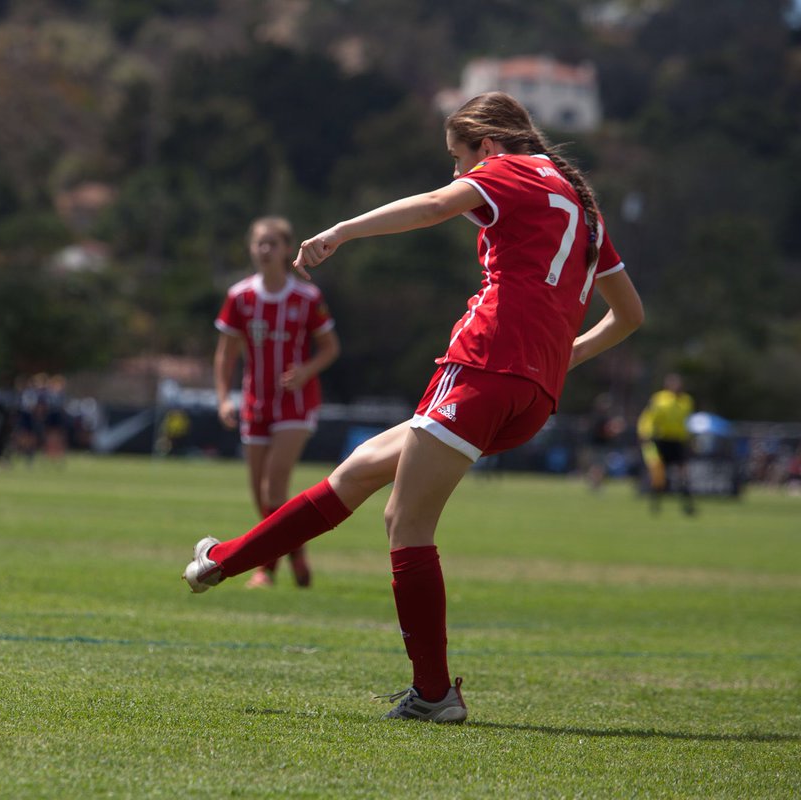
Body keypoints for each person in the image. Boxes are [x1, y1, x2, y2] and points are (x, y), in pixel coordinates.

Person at [182, 92, 644, 723]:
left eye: (459, 159)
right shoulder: (583, 210)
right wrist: (559, 359)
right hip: (533, 393)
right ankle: (224, 560)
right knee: (360, 470)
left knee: (406, 521)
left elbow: (433, 206)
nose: (459, 175)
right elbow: (630, 316)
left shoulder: (506, 170)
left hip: (484, 366)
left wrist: (340, 232)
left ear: (486, 145)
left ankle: (434, 694)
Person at [214, 216, 341, 589]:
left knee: (273, 486)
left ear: (287, 250)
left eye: (272, 243)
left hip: (296, 404)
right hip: (256, 401)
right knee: (260, 493)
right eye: (259, 243)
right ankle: (297, 556)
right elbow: (225, 354)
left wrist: (305, 371)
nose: (265, 250)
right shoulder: (240, 296)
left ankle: (265, 570)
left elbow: (331, 348)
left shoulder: (306, 297)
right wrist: (223, 399)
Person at [637, 373, 696, 515]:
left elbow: (688, 422)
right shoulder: (659, 399)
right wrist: (645, 433)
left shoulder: (687, 401)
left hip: (677, 441)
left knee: (683, 475)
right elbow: (648, 418)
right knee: (658, 474)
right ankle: (655, 505)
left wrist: (690, 438)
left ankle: (687, 506)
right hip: (661, 440)